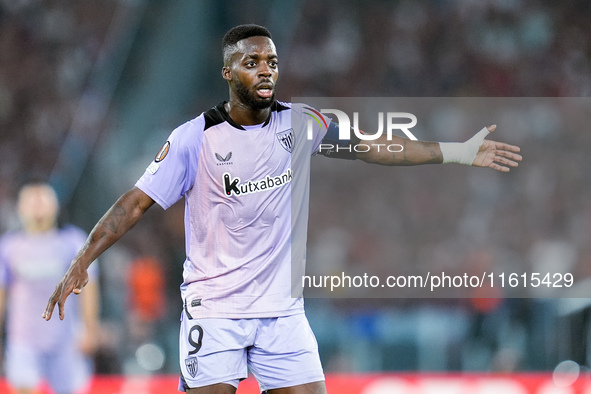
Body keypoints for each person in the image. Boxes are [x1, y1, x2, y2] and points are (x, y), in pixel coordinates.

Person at [42, 24, 522, 393]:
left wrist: (456, 151)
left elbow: (375, 146)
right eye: (253, 62)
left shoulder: (302, 124)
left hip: (282, 315)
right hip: (216, 312)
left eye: (272, 61)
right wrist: (81, 261)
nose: (266, 69)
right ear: (229, 72)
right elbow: (134, 203)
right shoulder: (194, 138)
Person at [0, 181, 100, 394]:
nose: (37, 203)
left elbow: (89, 288)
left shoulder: (74, 242)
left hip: (66, 342)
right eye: (31, 198)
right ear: (19, 207)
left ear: (56, 205)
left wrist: (90, 329)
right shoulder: (8, 247)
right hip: (23, 341)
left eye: (43, 197)